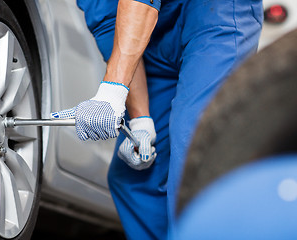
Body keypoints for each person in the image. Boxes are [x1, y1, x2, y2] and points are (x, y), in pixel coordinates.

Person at [51, 0, 263, 239]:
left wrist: (111, 91)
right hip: (148, 33)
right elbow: (111, 29)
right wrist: (141, 121)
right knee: (135, 178)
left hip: (214, 16)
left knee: (194, 147)